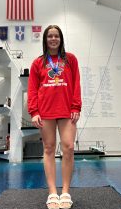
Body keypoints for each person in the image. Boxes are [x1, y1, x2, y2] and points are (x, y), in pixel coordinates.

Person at [28, 25, 81, 209]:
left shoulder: (70, 59)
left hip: (67, 110)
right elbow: (33, 89)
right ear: (45, 39)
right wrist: (34, 111)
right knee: (49, 149)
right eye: (50, 36)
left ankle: (65, 191)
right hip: (46, 111)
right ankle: (52, 192)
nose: (53, 39)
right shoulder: (38, 63)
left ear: (61, 38)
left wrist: (76, 106)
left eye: (56, 36)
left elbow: (76, 84)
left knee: (69, 147)